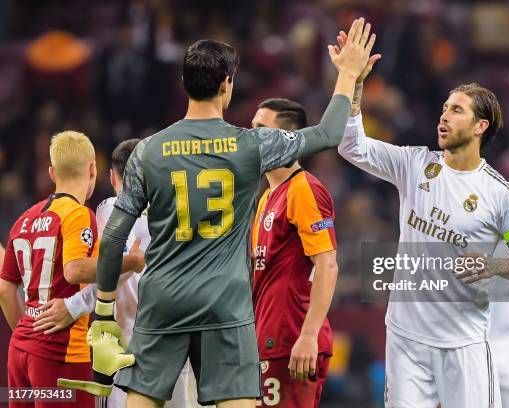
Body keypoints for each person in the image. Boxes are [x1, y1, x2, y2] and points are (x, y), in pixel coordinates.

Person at [76, 19, 375, 408]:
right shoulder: (249, 145)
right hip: (225, 305)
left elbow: (115, 234)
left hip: (163, 300)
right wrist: (348, 74)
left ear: (184, 83)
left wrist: (102, 311)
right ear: (227, 84)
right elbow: (328, 134)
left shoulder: (148, 151)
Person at [332, 31, 509, 407]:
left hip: (465, 344)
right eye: (444, 108)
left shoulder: (502, 195)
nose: (444, 116)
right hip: (406, 340)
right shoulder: (415, 165)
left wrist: (493, 264)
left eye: (457, 110)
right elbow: (352, 146)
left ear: (481, 126)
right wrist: (354, 84)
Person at [37, 139, 198, 407]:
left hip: (124, 347)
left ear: (112, 177)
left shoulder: (112, 207)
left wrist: (74, 306)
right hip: (175, 343)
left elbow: (116, 266)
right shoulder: (183, 212)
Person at [0, 131, 143, 408]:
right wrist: (131, 262)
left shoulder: (24, 219)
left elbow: (6, 289)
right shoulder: (79, 214)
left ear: (52, 172)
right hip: (59, 354)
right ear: (93, 169)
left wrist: (28, 332)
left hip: (19, 353)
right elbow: (75, 270)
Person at [250, 98, 338, 407]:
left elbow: (327, 264)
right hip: (269, 339)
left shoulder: (304, 188)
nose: (251, 136)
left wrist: (309, 336)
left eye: (261, 129)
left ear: (288, 139)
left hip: (293, 341)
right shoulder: (267, 198)